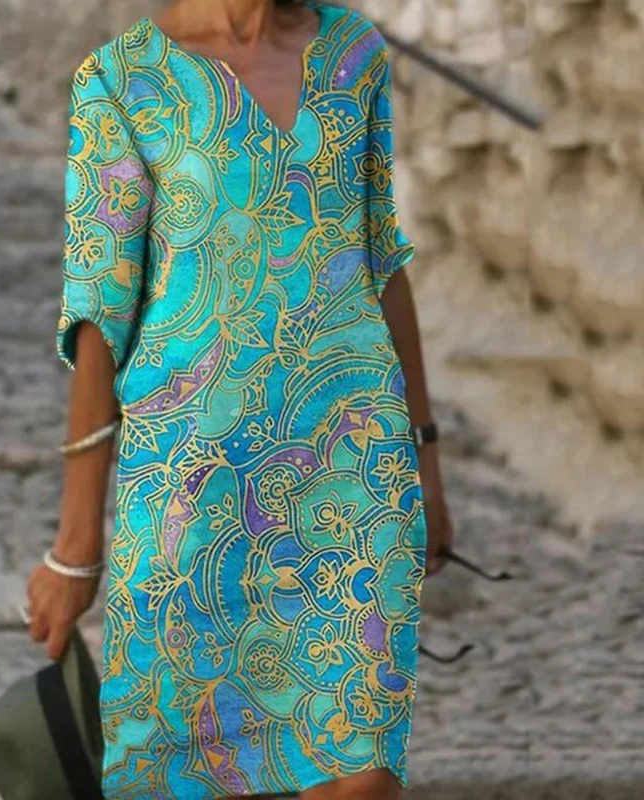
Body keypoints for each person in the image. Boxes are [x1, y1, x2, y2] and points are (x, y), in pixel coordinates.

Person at [26, 1, 454, 797]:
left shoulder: (354, 52)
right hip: (192, 495)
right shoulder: (121, 81)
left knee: (361, 775)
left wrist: (425, 458)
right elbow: (98, 314)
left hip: (355, 480)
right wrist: (77, 543)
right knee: (186, 774)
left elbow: (381, 259)